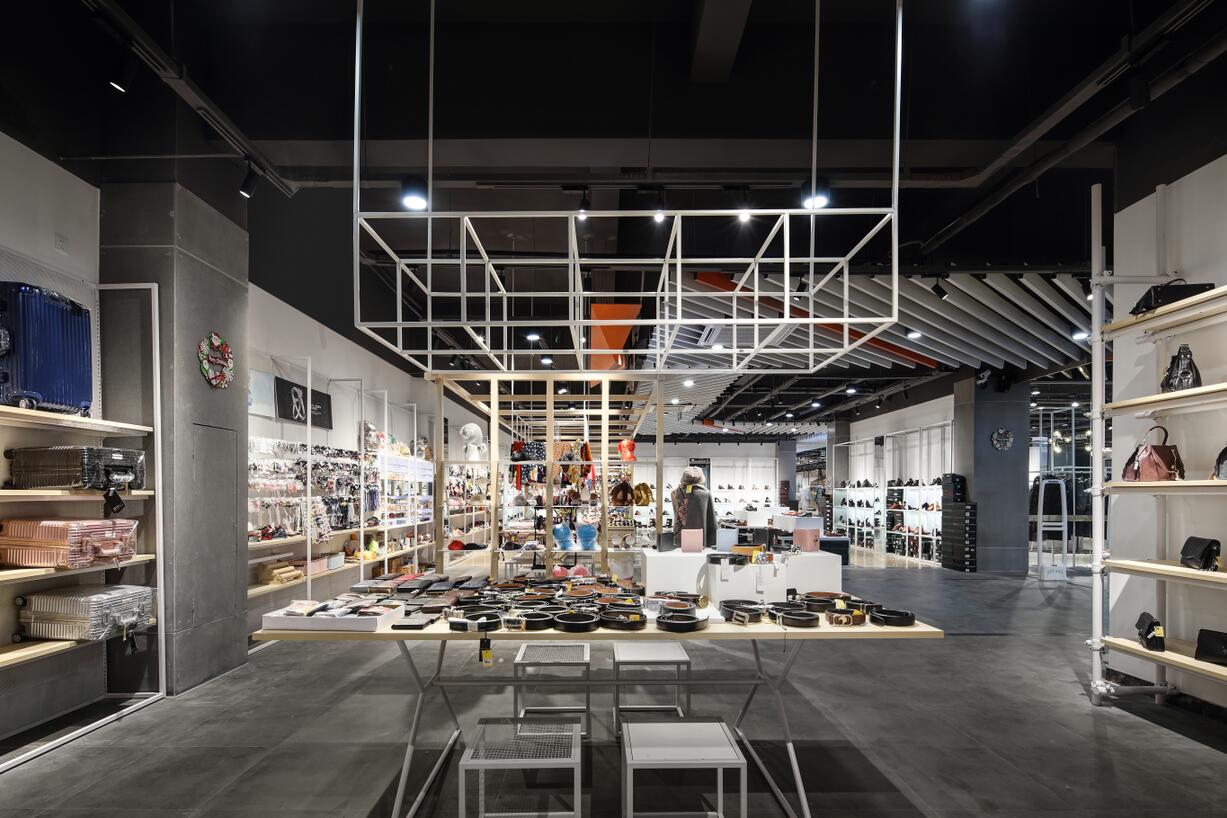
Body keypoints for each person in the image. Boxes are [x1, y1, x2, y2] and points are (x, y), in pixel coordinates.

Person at [671, 466, 717, 548]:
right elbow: (711, 518)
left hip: (681, 534)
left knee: (680, 553)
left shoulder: (675, 492)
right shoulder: (705, 493)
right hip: (700, 536)